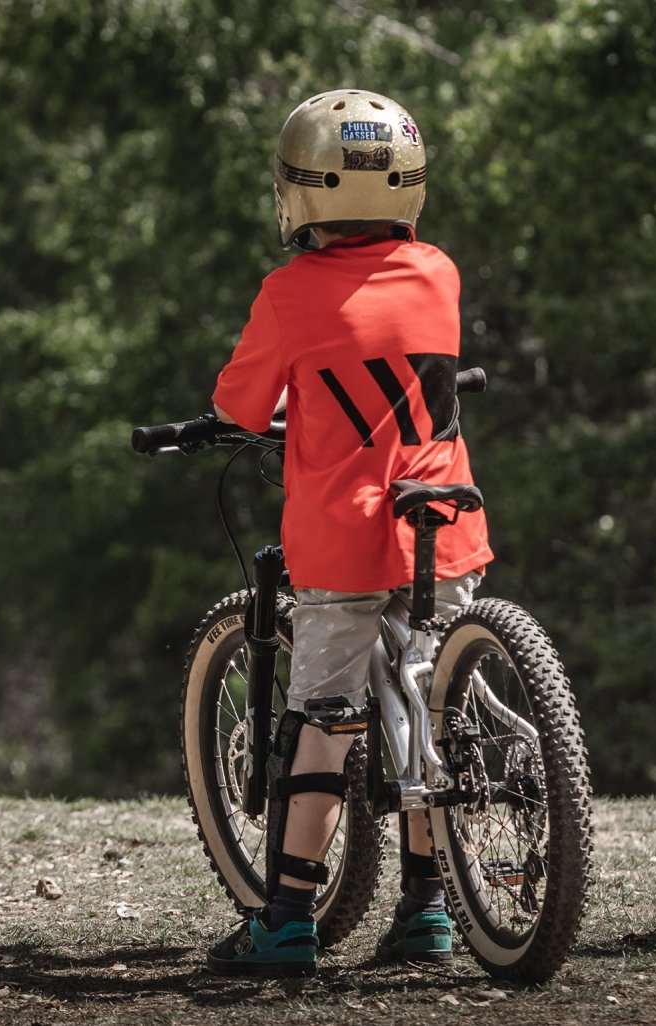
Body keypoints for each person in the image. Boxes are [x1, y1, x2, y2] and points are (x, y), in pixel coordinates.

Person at [203, 88, 491, 977]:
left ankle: (287, 915)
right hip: (441, 528)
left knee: (324, 720)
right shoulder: (438, 272)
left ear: (296, 192)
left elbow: (240, 404)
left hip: (342, 543)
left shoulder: (289, 293)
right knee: (426, 708)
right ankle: (429, 904)